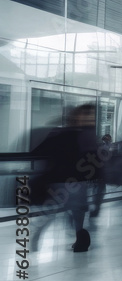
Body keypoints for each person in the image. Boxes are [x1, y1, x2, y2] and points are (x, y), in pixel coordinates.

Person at [32, 103, 101, 252]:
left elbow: (39, 151)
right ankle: (79, 240)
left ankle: (36, 239)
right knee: (78, 213)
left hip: (57, 180)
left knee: (49, 212)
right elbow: (94, 158)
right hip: (78, 181)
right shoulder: (85, 135)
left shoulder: (57, 133)